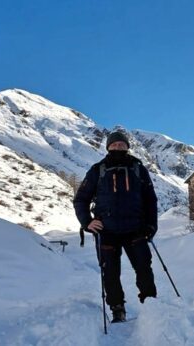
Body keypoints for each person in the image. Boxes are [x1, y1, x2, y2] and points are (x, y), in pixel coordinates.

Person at [73, 131, 158, 323]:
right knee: (110, 271)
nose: (118, 147)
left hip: (136, 229)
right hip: (106, 231)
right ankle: (117, 308)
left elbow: (150, 200)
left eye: (122, 144)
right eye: (115, 144)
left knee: (144, 267)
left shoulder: (138, 168)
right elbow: (81, 199)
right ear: (108, 147)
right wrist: (87, 221)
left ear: (128, 147)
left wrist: (151, 225)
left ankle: (151, 305)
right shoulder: (97, 170)